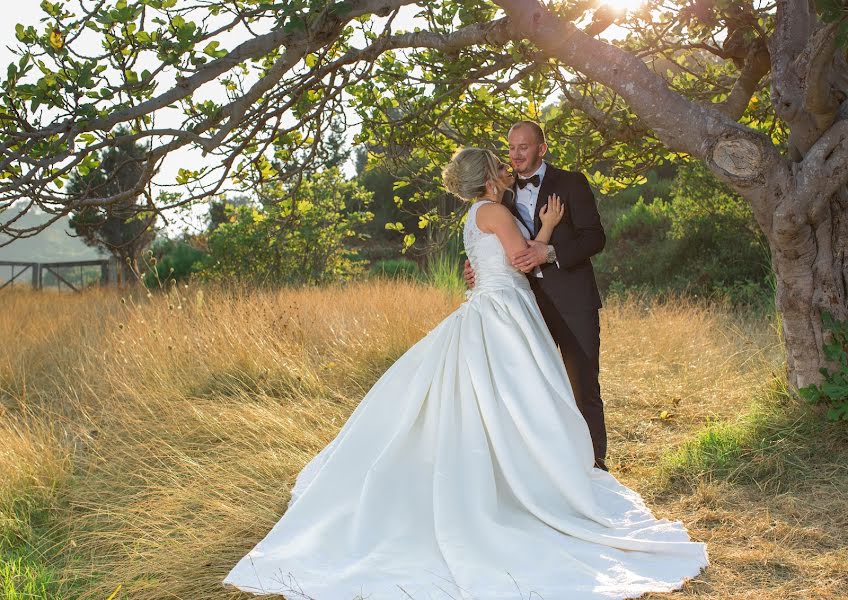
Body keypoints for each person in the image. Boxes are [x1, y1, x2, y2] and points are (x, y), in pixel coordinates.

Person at [223, 147, 708, 600]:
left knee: (498, 398)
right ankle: (527, 481)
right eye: (500, 164)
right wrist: (549, 226)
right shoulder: (494, 211)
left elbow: (488, 261)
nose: (505, 169)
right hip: (502, 310)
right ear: (489, 175)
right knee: (517, 395)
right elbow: (521, 261)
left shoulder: (471, 218)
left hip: (491, 304)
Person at [465, 121, 609, 470]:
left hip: (574, 303)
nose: (515, 155)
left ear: (541, 148)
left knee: (582, 386)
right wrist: (471, 269)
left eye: (523, 147)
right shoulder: (503, 193)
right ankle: (546, 466)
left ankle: (594, 463)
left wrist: (552, 253)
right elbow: (489, 240)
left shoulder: (572, 183)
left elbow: (594, 238)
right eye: (511, 148)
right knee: (535, 390)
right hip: (525, 307)